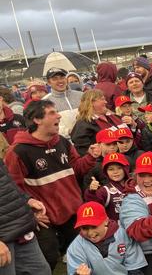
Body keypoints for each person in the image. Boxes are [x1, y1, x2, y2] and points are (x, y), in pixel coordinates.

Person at [3, 100, 102, 270]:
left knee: (82, 253)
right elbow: (12, 188)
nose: (58, 116)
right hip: (43, 217)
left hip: (71, 210)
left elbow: (77, 168)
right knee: (49, 257)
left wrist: (90, 157)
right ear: (37, 120)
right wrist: (30, 211)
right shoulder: (18, 151)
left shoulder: (62, 141)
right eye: (51, 113)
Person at [66, 201, 147, 275]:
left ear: (106, 221)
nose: (90, 233)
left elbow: (135, 268)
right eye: (84, 228)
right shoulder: (76, 246)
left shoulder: (123, 235)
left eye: (94, 226)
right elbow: (74, 270)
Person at [0, 159, 50, 275]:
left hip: (20, 227)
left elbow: (6, 184)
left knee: (41, 271)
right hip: (2, 238)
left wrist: (27, 200)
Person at [71, 90, 126, 155]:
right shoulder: (83, 124)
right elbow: (83, 150)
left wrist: (133, 125)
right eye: (102, 99)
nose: (106, 102)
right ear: (91, 102)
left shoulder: (112, 116)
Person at [84, 152, 131, 220]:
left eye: (119, 168)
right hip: (117, 229)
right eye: (111, 169)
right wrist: (91, 191)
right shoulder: (105, 190)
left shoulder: (135, 185)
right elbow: (94, 204)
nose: (115, 172)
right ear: (106, 172)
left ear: (126, 169)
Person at [43, 67, 83, 138]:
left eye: (62, 77)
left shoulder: (81, 95)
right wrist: (69, 131)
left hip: (86, 139)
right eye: (55, 79)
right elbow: (47, 125)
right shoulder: (45, 102)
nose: (60, 81)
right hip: (64, 142)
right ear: (49, 83)